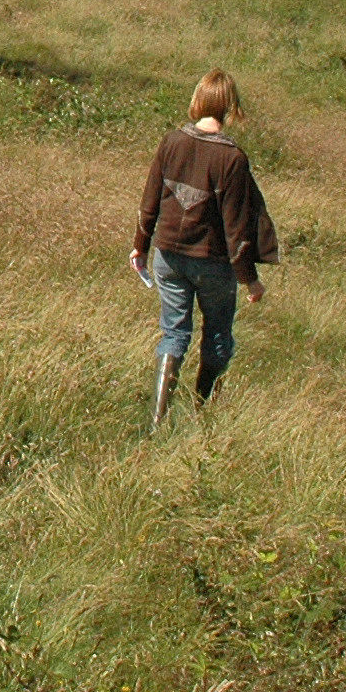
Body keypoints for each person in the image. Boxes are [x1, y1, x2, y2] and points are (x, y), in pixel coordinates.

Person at [131, 68, 274, 430]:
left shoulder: (171, 142)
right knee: (218, 334)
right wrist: (250, 281)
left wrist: (140, 247)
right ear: (230, 107)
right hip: (212, 263)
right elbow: (236, 229)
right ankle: (202, 417)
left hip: (167, 257)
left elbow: (150, 201)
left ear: (199, 100)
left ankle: (156, 422)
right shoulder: (233, 158)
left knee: (174, 333)